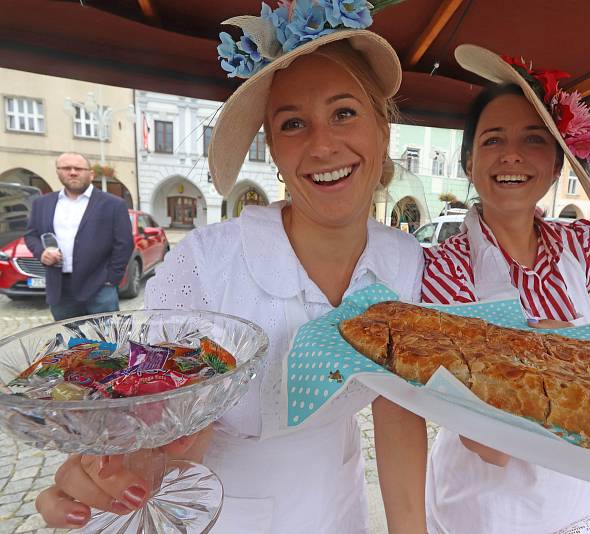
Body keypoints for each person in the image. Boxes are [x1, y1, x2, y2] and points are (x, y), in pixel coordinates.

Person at [35, 10, 427, 533]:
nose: (322, 144)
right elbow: (169, 413)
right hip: (224, 512)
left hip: (341, 501)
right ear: (275, 151)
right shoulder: (206, 262)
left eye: (344, 113)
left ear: (383, 130)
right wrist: (128, 462)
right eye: (292, 123)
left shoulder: (405, 258)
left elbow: (397, 405)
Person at [421, 44, 590, 533]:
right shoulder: (443, 268)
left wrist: (522, 361)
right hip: (481, 504)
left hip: (578, 491)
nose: (513, 155)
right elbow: (482, 428)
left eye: (534, 139)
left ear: (559, 164)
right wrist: (572, 360)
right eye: (493, 140)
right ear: (467, 163)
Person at [24, 152, 133, 320]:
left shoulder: (113, 204)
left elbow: (124, 244)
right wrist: (41, 253)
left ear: (91, 174)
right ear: (58, 171)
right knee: (72, 341)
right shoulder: (42, 204)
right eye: (67, 168)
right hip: (59, 287)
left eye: (79, 168)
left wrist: (112, 279)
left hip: (99, 286)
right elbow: (31, 235)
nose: (73, 172)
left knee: (107, 341)